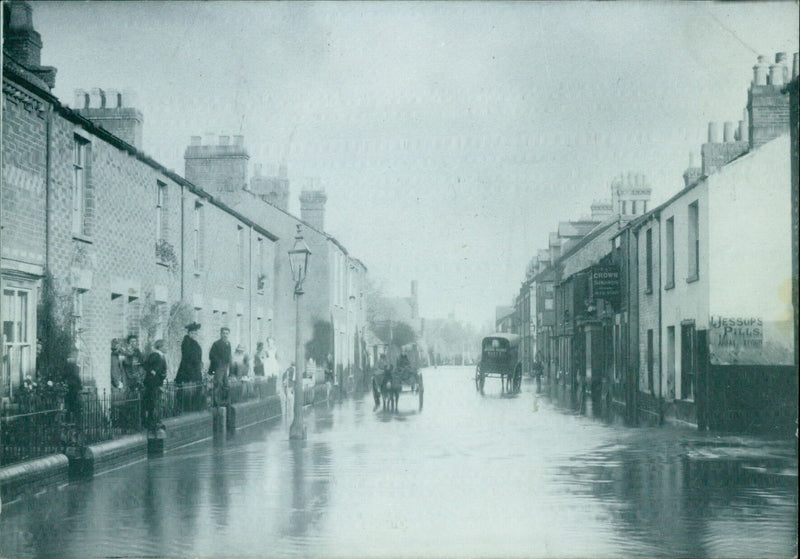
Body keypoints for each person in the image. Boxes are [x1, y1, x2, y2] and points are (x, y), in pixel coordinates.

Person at [176, 322, 203, 410]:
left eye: (196, 333)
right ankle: (188, 407)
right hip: (188, 370)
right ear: (189, 333)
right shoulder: (187, 342)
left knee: (193, 389)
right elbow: (189, 356)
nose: (195, 335)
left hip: (194, 369)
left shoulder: (193, 342)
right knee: (188, 389)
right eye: (193, 333)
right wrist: (197, 362)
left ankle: (192, 406)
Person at [142, 339, 167, 430]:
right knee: (153, 403)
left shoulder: (160, 355)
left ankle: (155, 422)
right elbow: (145, 365)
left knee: (155, 403)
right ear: (160, 347)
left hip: (156, 383)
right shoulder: (155, 355)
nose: (166, 348)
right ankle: (152, 423)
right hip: (153, 384)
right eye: (165, 346)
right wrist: (152, 371)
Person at [208, 327, 232, 406]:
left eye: (227, 333)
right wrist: (219, 363)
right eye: (224, 333)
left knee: (226, 385)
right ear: (221, 334)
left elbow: (229, 356)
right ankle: (216, 403)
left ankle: (225, 402)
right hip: (218, 367)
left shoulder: (228, 344)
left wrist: (228, 365)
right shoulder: (216, 344)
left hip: (225, 367)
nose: (225, 335)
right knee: (218, 384)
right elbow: (211, 356)